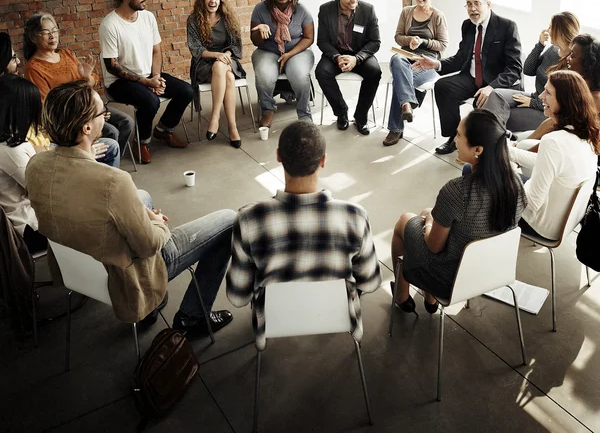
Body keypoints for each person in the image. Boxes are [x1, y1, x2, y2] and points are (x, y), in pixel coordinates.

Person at [26, 80, 236, 336]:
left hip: (78, 268)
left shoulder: (36, 164)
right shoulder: (113, 181)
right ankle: (193, 316)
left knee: (142, 196)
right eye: (102, 110)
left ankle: (150, 309)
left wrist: (139, 208)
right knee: (230, 220)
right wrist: (157, 221)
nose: (107, 114)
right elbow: (150, 245)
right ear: (87, 127)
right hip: (125, 274)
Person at [226, 121, 382, 350]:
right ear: (323, 160)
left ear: (278, 157)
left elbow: (238, 297)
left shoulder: (249, 220)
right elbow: (369, 283)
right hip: (338, 318)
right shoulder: (355, 216)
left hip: (272, 323)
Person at [390, 110, 525, 313]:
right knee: (428, 211)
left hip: (449, 279)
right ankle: (429, 298)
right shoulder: (516, 184)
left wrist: (428, 222)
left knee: (405, 220)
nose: (455, 140)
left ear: (478, 149)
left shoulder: (457, 191)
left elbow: (434, 247)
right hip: (492, 271)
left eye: (459, 136)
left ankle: (402, 295)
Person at [414, 0, 523, 155]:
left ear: (488, 4)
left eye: (477, 4)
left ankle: (488, 148)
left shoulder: (507, 27)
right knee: (443, 86)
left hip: (495, 82)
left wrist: (491, 87)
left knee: (482, 105)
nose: (472, 9)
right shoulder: (468, 26)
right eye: (468, 4)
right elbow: (460, 58)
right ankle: (454, 137)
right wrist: (436, 64)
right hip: (471, 77)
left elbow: (515, 68)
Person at [99, 0, 195, 164]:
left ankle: (162, 130)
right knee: (150, 101)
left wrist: (156, 77)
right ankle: (142, 142)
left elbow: (156, 50)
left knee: (187, 91)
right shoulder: (109, 25)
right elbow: (112, 65)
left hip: (148, 75)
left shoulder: (148, 17)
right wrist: (146, 83)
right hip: (119, 82)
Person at [23, 13, 134, 155]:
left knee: (126, 122)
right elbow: (48, 105)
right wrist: (92, 114)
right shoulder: (34, 68)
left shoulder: (66, 54)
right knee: (111, 132)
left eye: (55, 30)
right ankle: (93, 165)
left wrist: (86, 78)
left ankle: (111, 159)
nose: (52, 35)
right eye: (46, 32)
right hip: (70, 118)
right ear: (33, 37)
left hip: (89, 105)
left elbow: (92, 81)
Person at [509, 70, 600, 241]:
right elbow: (549, 164)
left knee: (476, 171)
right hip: (565, 221)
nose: (541, 96)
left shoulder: (554, 142)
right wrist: (510, 153)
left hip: (541, 225)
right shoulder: (586, 134)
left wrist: (509, 170)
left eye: (548, 92)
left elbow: (533, 202)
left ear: (565, 101)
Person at [484, 12, 578, 133]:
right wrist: (540, 45)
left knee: (499, 113)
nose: (548, 30)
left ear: (559, 31)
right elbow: (528, 70)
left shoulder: (573, 61)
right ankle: (483, 137)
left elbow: (563, 104)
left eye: (551, 27)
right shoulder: (553, 50)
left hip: (547, 112)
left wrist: (532, 103)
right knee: (496, 95)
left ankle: (486, 141)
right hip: (536, 97)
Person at [384, 0, 449, 146]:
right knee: (397, 60)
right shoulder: (406, 12)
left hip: (428, 60)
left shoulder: (438, 16)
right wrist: (410, 40)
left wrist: (424, 42)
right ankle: (407, 104)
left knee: (401, 79)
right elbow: (398, 37)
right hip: (405, 56)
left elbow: (443, 45)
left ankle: (396, 127)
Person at [315, 0, 381, 135]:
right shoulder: (325, 10)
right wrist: (337, 57)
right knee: (321, 72)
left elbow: (375, 42)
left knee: (375, 72)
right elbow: (322, 41)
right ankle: (341, 112)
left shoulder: (368, 10)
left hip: (360, 54)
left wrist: (357, 58)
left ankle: (361, 116)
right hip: (336, 53)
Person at [250, 0, 315, 127]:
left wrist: (289, 55)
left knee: (300, 75)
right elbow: (255, 41)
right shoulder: (260, 9)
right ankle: (268, 110)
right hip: (268, 50)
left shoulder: (301, 10)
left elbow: (309, 38)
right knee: (264, 76)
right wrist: (259, 31)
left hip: (297, 50)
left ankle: (304, 115)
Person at [187, 0, 245, 148]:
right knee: (228, 76)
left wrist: (225, 55)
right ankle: (232, 127)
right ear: (202, 0)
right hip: (204, 63)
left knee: (222, 68)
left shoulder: (228, 18)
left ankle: (215, 118)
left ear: (221, 1)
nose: (213, 1)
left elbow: (236, 45)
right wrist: (216, 55)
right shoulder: (193, 20)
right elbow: (196, 49)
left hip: (227, 59)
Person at [0, 75, 47, 253]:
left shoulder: (10, 140)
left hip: (25, 218)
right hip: (27, 229)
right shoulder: (10, 150)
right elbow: (44, 192)